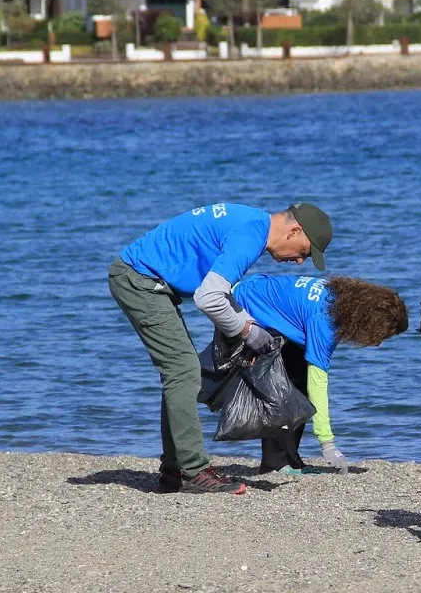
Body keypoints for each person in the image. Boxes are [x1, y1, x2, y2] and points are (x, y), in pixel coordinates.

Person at [110, 203, 333, 495]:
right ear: (294, 230)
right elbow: (208, 297)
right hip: (139, 280)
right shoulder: (251, 234)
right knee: (184, 373)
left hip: (145, 279)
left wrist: (248, 323)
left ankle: (175, 469)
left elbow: (221, 293)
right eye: (305, 251)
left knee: (181, 372)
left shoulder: (252, 223)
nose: (301, 262)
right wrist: (248, 332)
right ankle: (193, 471)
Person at [231, 273, 408, 476]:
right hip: (241, 308)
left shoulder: (340, 298)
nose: (376, 343)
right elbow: (318, 383)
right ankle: (275, 464)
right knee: (285, 388)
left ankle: (288, 460)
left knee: (297, 383)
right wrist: (327, 443)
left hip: (262, 297)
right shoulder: (325, 320)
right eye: (379, 335)